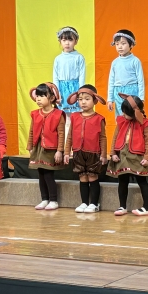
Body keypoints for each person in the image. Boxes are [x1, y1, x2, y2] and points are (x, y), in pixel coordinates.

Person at [107, 94, 148, 216]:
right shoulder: (121, 121)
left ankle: (147, 207)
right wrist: (113, 153)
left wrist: (147, 157)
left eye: (126, 113)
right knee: (122, 181)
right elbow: (115, 137)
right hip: (122, 155)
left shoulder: (145, 124)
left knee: (142, 181)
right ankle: (122, 206)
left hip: (137, 156)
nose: (123, 115)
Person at [64, 85, 107, 213]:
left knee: (92, 177)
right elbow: (70, 135)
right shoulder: (74, 116)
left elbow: (103, 138)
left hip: (93, 153)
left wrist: (103, 155)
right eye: (80, 99)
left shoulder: (99, 118)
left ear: (95, 100)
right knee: (82, 177)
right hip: (78, 152)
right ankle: (84, 202)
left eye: (87, 99)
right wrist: (66, 152)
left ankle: (94, 204)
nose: (83, 102)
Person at [27, 83, 66, 210]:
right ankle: (44, 199)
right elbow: (32, 131)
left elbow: (61, 134)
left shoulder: (58, 114)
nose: (38, 99)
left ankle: (53, 200)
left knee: (48, 174)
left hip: (50, 149)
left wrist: (59, 151)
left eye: (42, 96)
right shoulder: (35, 114)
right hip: (38, 148)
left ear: (52, 98)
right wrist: (30, 146)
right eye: (37, 96)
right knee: (41, 174)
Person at [53, 27, 86, 130]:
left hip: (75, 89)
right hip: (62, 90)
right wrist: (56, 93)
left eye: (70, 40)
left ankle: (77, 137)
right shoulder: (58, 59)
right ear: (60, 41)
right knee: (66, 118)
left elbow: (82, 76)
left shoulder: (79, 57)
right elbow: (55, 77)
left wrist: (80, 92)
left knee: (77, 115)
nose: (67, 43)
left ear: (76, 41)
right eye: (64, 40)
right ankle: (67, 139)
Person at [107, 30, 144, 117]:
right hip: (118, 92)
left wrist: (141, 98)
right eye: (117, 44)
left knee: (132, 115)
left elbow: (141, 80)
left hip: (132, 91)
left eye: (123, 43)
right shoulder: (115, 62)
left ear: (131, 45)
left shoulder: (135, 61)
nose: (120, 47)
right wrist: (110, 99)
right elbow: (111, 81)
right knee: (120, 116)